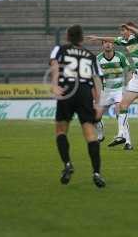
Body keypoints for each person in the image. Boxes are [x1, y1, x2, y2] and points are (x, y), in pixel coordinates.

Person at [86, 22, 138, 144]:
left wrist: (131, 28)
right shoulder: (125, 41)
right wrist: (98, 38)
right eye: (121, 31)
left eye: (124, 31)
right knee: (123, 106)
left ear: (130, 31)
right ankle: (121, 135)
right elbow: (113, 39)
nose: (122, 33)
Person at [49, 24, 106, 188]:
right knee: (90, 133)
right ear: (82, 38)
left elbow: (54, 64)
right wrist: (98, 103)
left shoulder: (60, 49)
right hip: (84, 92)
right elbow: (97, 80)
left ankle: (67, 164)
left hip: (67, 90)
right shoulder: (90, 55)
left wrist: (54, 84)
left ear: (67, 36)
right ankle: (96, 173)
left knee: (61, 130)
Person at [95, 40, 133, 150]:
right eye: (105, 42)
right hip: (105, 91)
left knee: (120, 112)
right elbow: (96, 77)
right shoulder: (98, 59)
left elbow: (129, 71)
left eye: (110, 42)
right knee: (95, 116)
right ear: (102, 45)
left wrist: (128, 87)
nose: (108, 44)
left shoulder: (120, 56)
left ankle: (127, 142)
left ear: (113, 45)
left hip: (118, 90)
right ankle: (101, 135)